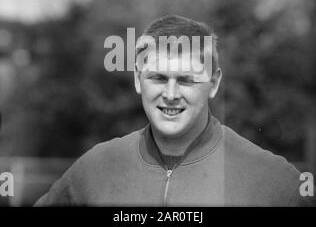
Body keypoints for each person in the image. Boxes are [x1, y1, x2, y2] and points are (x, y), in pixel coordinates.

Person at [35, 15, 314, 206]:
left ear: (214, 83)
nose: (170, 95)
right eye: (157, 78)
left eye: (186, 80)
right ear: (137, 79)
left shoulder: (273, 181)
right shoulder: (94, 169)